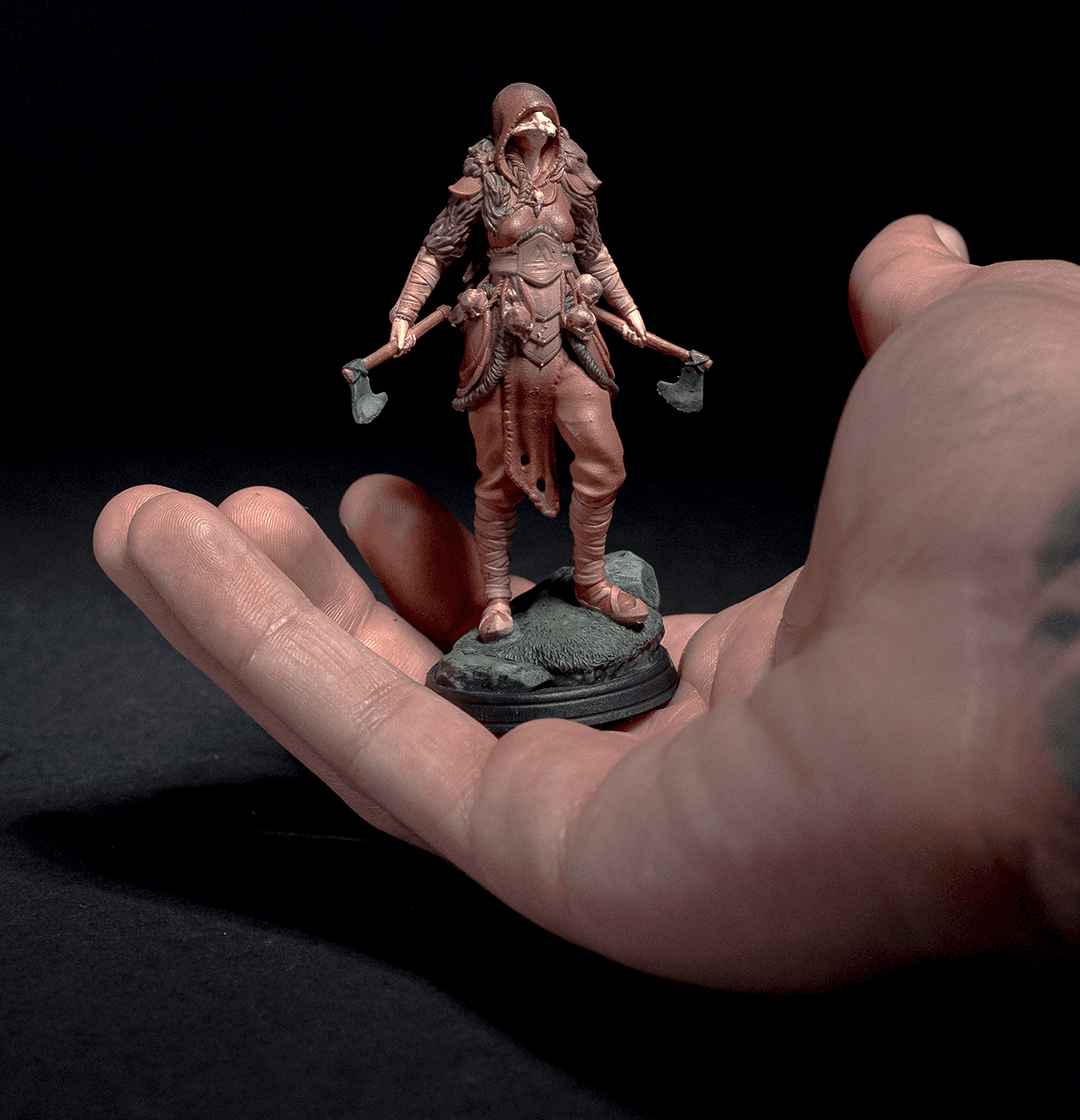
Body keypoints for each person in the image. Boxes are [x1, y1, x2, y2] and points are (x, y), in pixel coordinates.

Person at [93, 215, 1080, 990]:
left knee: (593, 470)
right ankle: (498, 602)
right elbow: (436, 280)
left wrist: (643, 330)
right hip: (499, 380)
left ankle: (587, 581)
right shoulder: (483, 235)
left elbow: (603, 282)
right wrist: (400, 329)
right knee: (499, 491)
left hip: (571, 373)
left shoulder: (571, 232)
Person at [387, 82, 650, 641]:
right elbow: (436, 251)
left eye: (548, 115)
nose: (542, 123)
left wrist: (628, 309)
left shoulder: (571, 176)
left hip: (572, 330)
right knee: (497, 478)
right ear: (506, 124)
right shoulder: (482, 180)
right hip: (502, 337)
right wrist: (405, 313)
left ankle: (591, 582)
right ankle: (497, 599)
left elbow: (594, 251)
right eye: (529, 116)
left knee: (605, 460)